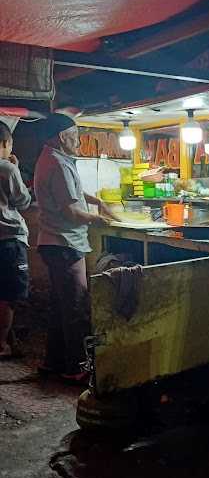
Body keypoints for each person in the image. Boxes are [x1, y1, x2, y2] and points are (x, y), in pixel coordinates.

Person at [34, 113, 116, 383]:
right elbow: (71, 211)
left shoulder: (52, 160)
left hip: (54, 242)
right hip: (64, 243)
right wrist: (98, 218)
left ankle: (53, 362)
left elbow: (72, 195)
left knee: (60, 308)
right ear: (62, 137)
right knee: (76, 308)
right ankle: (77, 368)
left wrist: (96, 200)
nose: (79, 142)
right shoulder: (58, 164)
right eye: (75, 136)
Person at [0, 121, 31, 359]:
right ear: (5, 143)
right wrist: (16, 169)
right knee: (8, 296)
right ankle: (2, 345)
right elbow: (23, 201)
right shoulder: (7, 169)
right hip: (9, 240)